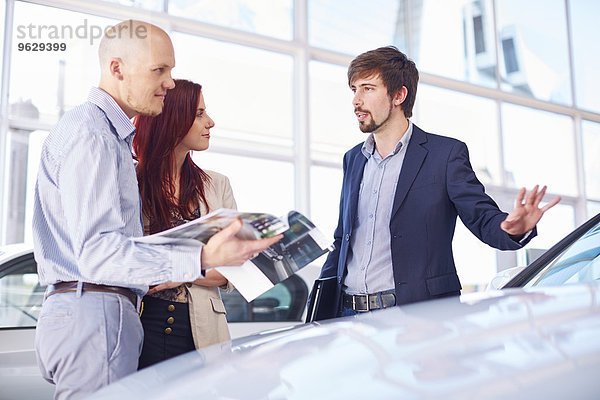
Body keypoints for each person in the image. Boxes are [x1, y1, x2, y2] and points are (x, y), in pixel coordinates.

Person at [32, 21, 281, 399]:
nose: (168, 82)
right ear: (117, 69)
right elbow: (100, 254)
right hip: (96, 309)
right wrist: (202, 254)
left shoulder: (105, 136)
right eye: (159, 70)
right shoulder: (95, 135)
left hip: (104, 311)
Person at [318, 46, 560, 318]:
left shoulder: (444, 155)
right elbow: (344, 238)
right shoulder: (353, 159)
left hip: (416, 316)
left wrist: (513, 229)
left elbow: (482, 218)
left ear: (399, 95)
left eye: (368, 88)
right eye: (354, 89)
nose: (356, 100)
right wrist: (319, 312)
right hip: (348, 315)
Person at [133, 79, 235, 368]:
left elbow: (232, 268)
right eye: (199, 114)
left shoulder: (217, 185)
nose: (210, 122)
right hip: (142, 323)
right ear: (172, 119)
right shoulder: (131, 181)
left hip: (202, 329)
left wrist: (182, 271)